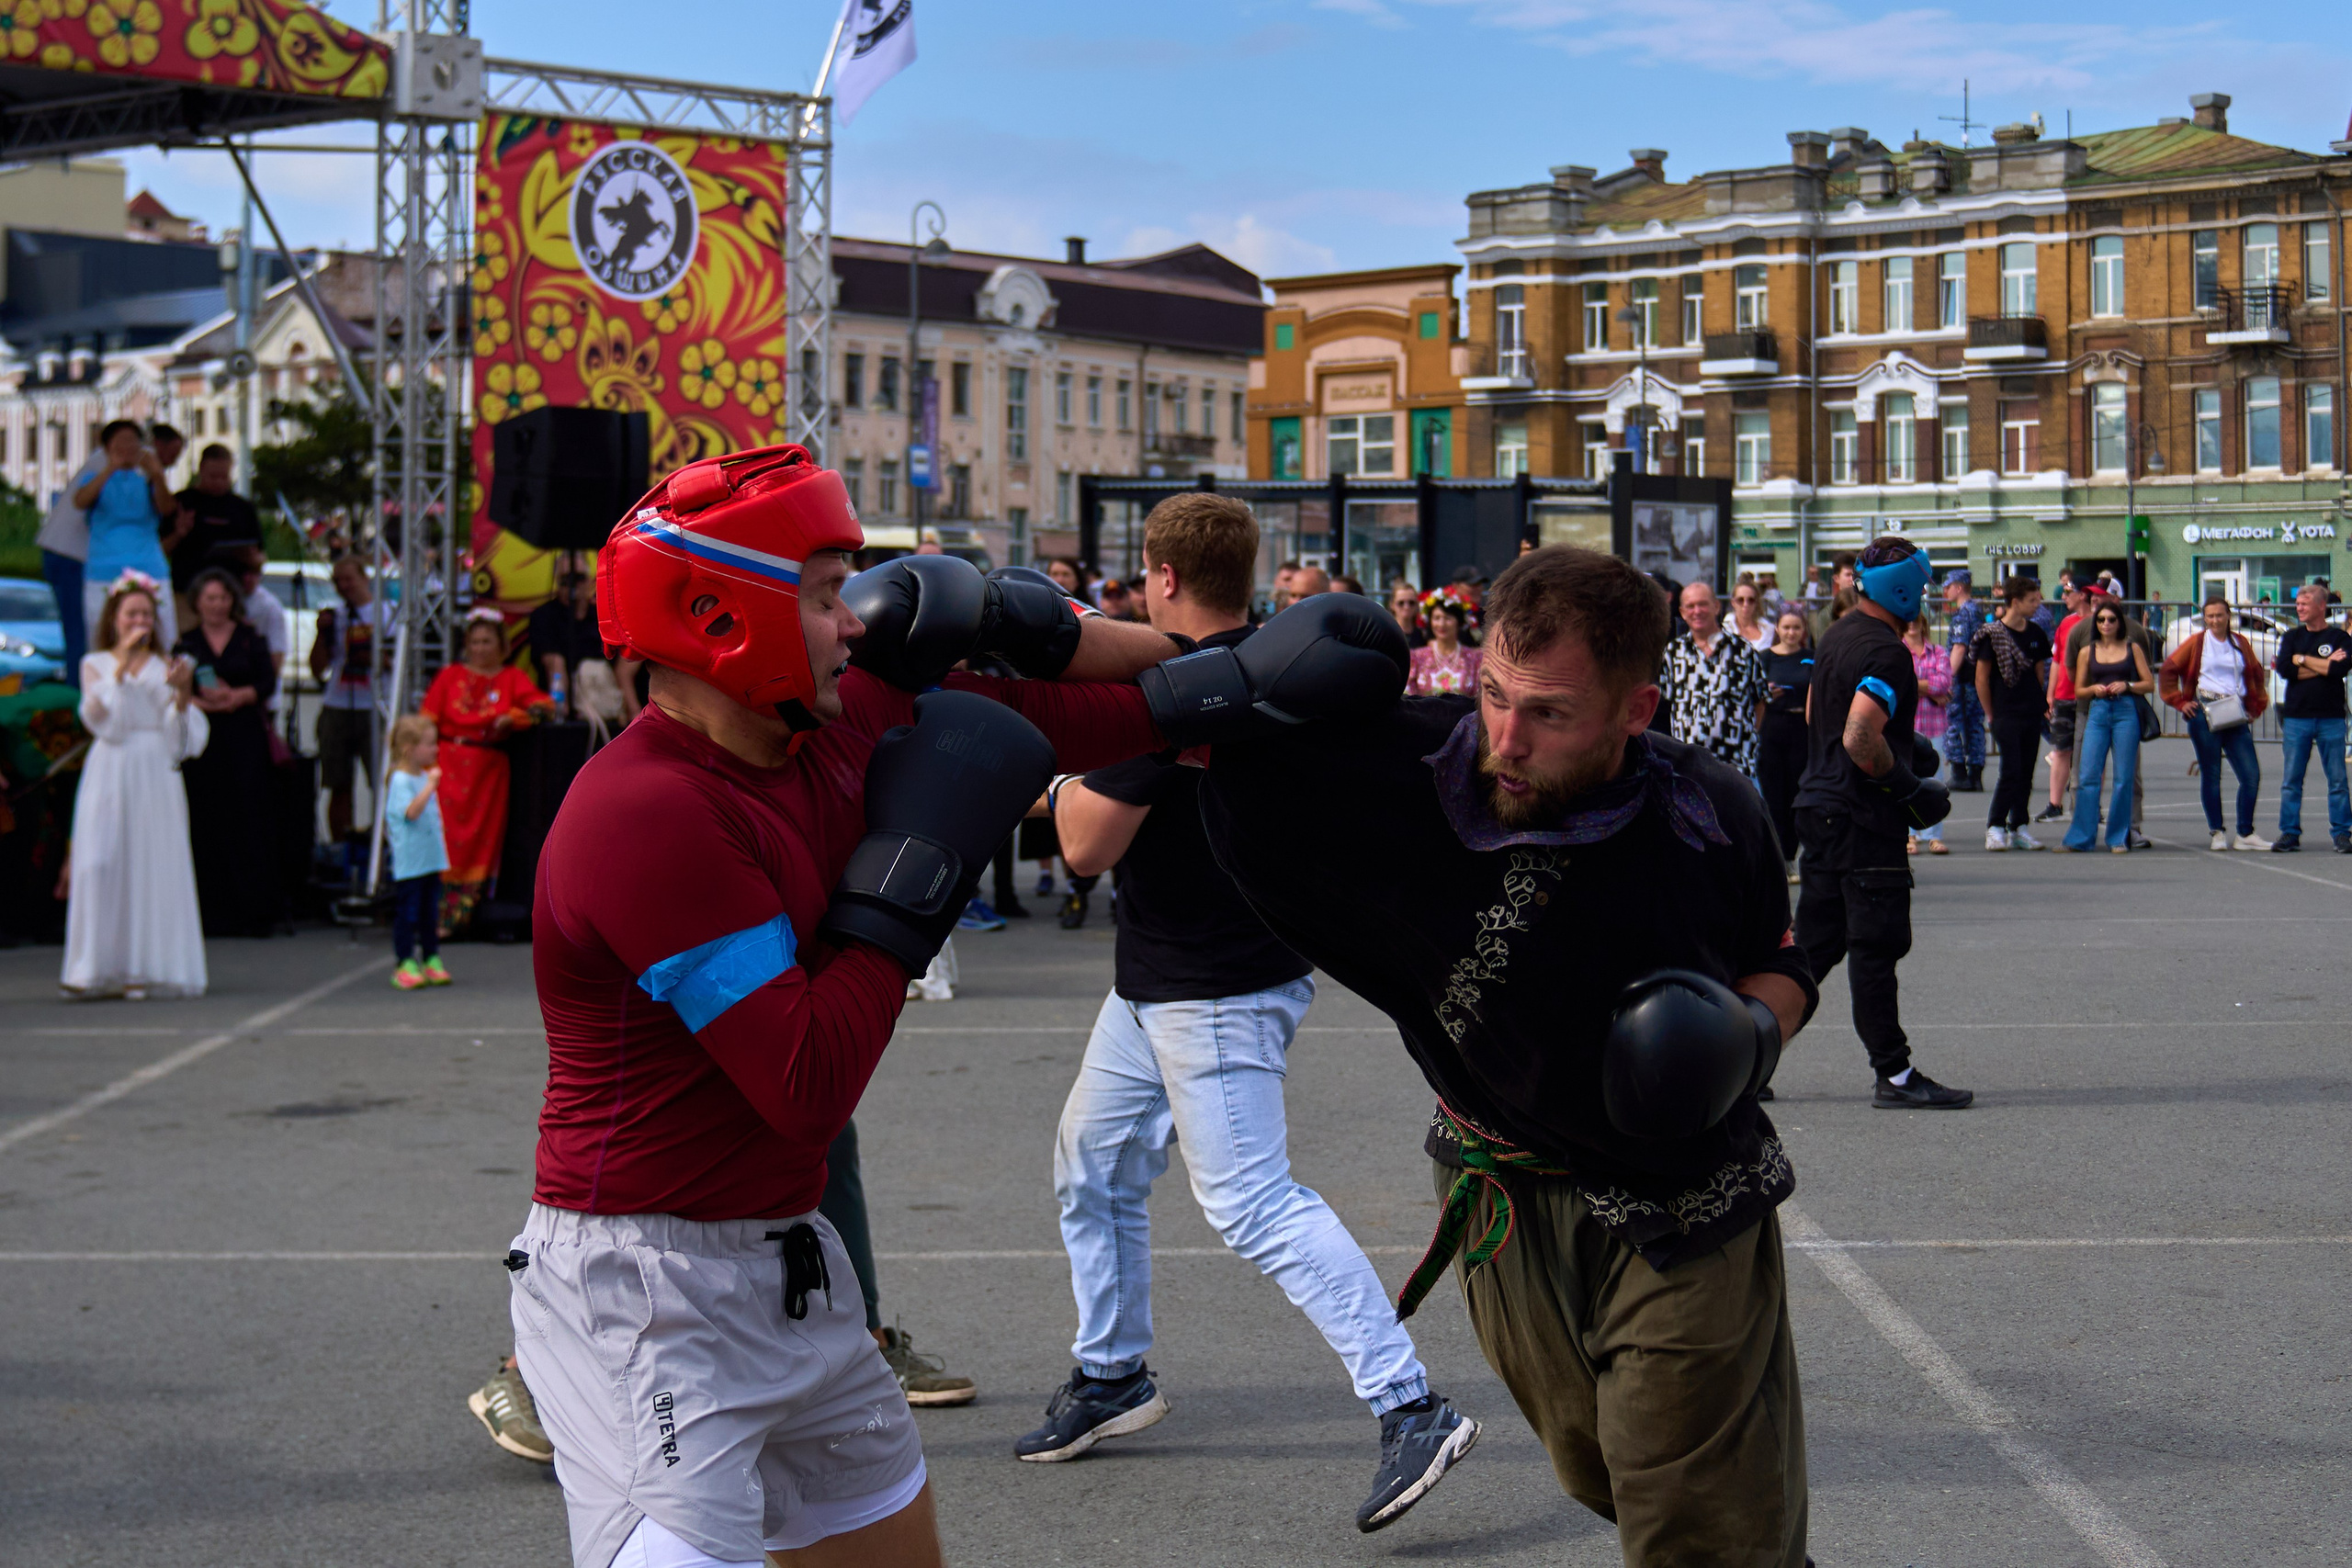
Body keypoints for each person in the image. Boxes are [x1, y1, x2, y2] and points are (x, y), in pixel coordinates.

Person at [514, 441, 1232, 1568]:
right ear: (722, 616)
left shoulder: (826, 717)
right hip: (646, 1298)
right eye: (814, 593)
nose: (851, 622)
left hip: (791, 1264)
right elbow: (804, 1086)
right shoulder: (646, 813)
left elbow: (1082, 709)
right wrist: (915, 876)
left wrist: (1228, 667)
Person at [1188, 546, 1818, 1565]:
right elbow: (1181, 716)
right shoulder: (1412, 770)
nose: (1507, 740)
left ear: (1634, 710)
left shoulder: (1709, 818)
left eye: (1550, 714)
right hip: (1502, 1200)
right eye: (1492, 696)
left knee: (1698, 1523)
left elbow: (1781, 961)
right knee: (1597, 1466)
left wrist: (1746, 1035)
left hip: (1683, 1203)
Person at [1019, 493, 1476, 1530]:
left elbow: (1083, 846)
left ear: (1161, 578)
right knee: (1090, 1162)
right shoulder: (1276, 665)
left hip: (1213, 986)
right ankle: (1111, 1372)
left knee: (1253, 1207)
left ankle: (1411, 1402)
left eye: (1142, 579)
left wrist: (1042, 767)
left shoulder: (1180, 691)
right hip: (1161, 977)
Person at [1795, 536, 1969, 1110]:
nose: (1923, 596)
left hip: (1818, 806)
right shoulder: (1888, 650)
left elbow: (1817, 710)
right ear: (1901, 588)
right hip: (1862, 816)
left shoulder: (1839, 633)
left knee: (1812, 951)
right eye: (1918, 586)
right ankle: (1894, 1076)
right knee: (1875, 945)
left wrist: (1905, 740)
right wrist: (1905, 785)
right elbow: (1858, 735)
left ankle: (1740, 1060)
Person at [61, 571, 208, 999]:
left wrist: (181, 695)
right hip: (110, 765)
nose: (139, 620)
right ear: (115, 617)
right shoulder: (96, 665)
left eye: (146, 613)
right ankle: (93, 965)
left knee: (150, 862)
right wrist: (122, 665)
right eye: (131, 613)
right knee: (100, 861)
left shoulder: (168, 666)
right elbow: (101, 720)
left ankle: (142, 967)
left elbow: (181, 740)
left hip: (154, 768)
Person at [417, 612, 555, 932]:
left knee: (478, 841)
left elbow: (544, 706)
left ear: (502, 645)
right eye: (474, 641)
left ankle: (458, 917)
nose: (479, 648)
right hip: (447, 767)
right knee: (442, 837)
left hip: (486, 773)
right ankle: (430, 915)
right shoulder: (450, 676)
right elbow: (426, 719)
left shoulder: (511, 678)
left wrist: (514, 717)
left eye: (486, 641)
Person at [173, 566, 280, 937]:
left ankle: (253, 910)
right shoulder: (186, 643)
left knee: (248, 816)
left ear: (232, 601)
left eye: (223, 598)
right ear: (198, 603)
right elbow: (175, 691)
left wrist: (236, 697)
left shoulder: (251, 638)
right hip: (204, 738)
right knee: (206, 817)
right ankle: (209, 911)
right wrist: (206, 705)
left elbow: (267, 682)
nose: (217, 605)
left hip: (244, 733)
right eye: (210, 599)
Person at [2159, 597, 2270, 852]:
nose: (2215, 621)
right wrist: (2179, 701)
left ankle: (2245, 833)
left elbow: (2255, 673)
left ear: (2228, 616)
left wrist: (2256, 706)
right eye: (2210, 616)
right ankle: (2217, 832)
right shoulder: (2197, 643)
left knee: (2250, 775)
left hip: (2234, 713)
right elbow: (2168, 670)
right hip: (2204, 711)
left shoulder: (2239, 642)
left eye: (2219, 615)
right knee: (2211, 774)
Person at [2059, 585, 2155, 851]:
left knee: (2124, 776)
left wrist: (2128, 685)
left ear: (2119, 622)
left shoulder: (2132, 647)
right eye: (2101, 619)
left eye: (2111, 619)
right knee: (2088, 774)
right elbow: (2078, 689)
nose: (2106, 624)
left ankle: (2118, 837)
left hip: (2126, 710)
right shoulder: (2086, 651)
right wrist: (2094, 689)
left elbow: (2149, 683)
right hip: (2098, 710)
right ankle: (2081, 837)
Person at [311, 555, 391, 857]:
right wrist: (322, 632)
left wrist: (374, 658)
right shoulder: (335, 616)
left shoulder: (386, 613)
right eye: (338, 581)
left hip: (375, 706)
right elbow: (317, 669)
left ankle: (380, 846)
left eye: (349, 579)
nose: (344, 586)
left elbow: (399, 663)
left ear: (364, 577)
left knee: (381, 782)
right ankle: (339, 847)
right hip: (337, 706)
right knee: (337, 782)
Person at [76, 421, 180, 649]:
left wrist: (157, 475)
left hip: (149, 567)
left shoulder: (147, 480)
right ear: (106, 447)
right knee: (101, 637)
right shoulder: (94, 478)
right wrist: (110, 468)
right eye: (120, 442)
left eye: (133, 442)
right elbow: (81, 501)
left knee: (165, 637)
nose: (127, 448)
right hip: (103, 569)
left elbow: (167, 508)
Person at [2269, 582, 2352, 853]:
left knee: (2337, 780)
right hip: (2297, 717)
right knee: (2292, 779)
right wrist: (2323, 667)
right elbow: (2284, 670)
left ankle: (2341, 833)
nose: (2299, 609)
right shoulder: (2292, 636)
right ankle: (2289, 833)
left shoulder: (2340, 639)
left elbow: (2340, 668)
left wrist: (2302, 660)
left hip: (2331, 718)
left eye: (2305, 604)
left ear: (2321, 606)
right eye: (2298, 604)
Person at [1660, 581, 1768, 779]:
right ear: (1682, 612)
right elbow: (1668, 702)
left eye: (1703, 604)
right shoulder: (1673, 653)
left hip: (1736, 766)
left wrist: (1745, 737)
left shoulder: (1743, 650)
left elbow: (1760, 700)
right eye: (1690, 606)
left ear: (1716, 607)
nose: (1697, 611)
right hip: (1689, 768)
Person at [1974, 578, 2052, 852]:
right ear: (2015, 602)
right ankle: (1995, 825)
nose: (2037, 605)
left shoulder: (2036, 633)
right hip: (2004, 712)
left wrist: (2040, 701)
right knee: (2011, 769)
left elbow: (2039, 669)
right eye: (2033, 600)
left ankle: (2019, 826)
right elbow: (1981, 679)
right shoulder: (1991, 634)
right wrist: (1990, 713)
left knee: (2027, 771)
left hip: (2031, 711)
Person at [384, 713, 452, 989]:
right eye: (429, 744)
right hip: (411, 863)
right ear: (410, 749)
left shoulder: (423, 776)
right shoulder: (401, 781)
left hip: (429, 860)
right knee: (408, 913)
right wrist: (431, 786)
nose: (435, 749)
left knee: (429, 913)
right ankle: (404, 962)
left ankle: (431, 957)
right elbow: (411, 812)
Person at [528, 552, 628, 730]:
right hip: (563, 708)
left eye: (579, 578)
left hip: (604, 706)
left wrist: (629, 709)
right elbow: (554, 664)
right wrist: (562, 713)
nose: (573, 584)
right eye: (566, 579)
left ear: (590, 581)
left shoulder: (603, 616)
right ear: (557, 583)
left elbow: (621, 667)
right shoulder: (544, 616)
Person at [36, 442, 107, 682]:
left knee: (77, 633)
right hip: (74, 556)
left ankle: (77, 690)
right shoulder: (129, 461)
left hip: (59, 549)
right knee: (82, 634)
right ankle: (79, 695)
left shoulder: (104, 457)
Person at [168, 444, 262, 613]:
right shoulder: (182, 502)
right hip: (187, 592)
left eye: (224, 477)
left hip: (230, 595)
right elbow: (162, 548)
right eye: (213, 477)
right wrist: (179, 534)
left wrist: (252, 562)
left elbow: (260, 555)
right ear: (201, 470)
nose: (219, 483)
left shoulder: (243, 508)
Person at [1756, 609, 1813, 882]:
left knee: (1798, 794)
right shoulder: (1764, 658)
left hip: (1802, 729)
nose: (1791, 633)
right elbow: (1752, 694)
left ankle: (1793, 851)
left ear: (1804, 630)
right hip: (1772, 728)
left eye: (1797, 627)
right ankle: (1782, 857)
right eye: (1786, 627)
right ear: (1777, 628)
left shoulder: (1811, 658)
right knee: (1774, 795)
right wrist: (1766, 693)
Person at [2038, 580, 2089, 823]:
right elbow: (2056, 660)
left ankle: (2090, 805)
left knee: (2090, 752)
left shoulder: (2099, 622)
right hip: (2064, 696)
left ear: (2083, 594)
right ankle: (2055, 803)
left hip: (2088, 695)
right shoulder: (2066, 624)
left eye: (2069, 592)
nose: (2064, 596)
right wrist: (2050, 694)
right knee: (2060, 750)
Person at [1902, 612, 1951, 857]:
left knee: (1936, 781)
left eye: (1916, 620)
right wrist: (1929, 689)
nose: (1912, 624)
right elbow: (1898, 682)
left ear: (1923, 624)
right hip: (1905, 725)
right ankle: (1910, 834)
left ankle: (1934, 835)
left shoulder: (1939, 652)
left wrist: (1916, 686)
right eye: (1907, 620)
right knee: (1907, 780)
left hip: (1934, 726)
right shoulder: (1896, 651)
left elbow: (1944, 683)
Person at [230, 545, 289, 716]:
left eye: (254, 573)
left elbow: (277, 655)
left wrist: (263, 689)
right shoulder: (226, 600)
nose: (248, 578)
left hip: (262, 699)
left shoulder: (269, 606)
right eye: (243, 572)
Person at [1941, 570, 1986, 792]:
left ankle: (1959, 772)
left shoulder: (1962, 614)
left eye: (1948, 587)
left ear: (1959, 588)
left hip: (1962, 678)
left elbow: (1959, 648)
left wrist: (1946, 678)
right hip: (1976, 675)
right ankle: (1976, 773)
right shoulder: (1977, 611)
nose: (1945, 592)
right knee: (1975, 724)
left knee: (1953, 723)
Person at [1406, 585, 1482, 695]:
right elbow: (1408, 696)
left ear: (1458, 622)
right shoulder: (1417, 658)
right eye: (1436, 618)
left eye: (1448, 618)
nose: (1441, 624)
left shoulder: (1474, 659)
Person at [1806, 553, 1855, 644]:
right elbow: (1822, 647)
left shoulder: (1868, 605)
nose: (1853, 579)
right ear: (1836, 578)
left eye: (1855, 574)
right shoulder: (1827, 613)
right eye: (1848, 575)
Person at [1729, 581, 1772, 650]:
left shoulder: (1770, 631)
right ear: (1733, 603)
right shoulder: (1724, 630)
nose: (1745, 604)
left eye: (1751, 600)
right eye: (1740, 600)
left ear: (1756, 603)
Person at [1388, 581, 1428, 649]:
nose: (1406, 607)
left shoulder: (1424, 636)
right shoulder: (1385, 634)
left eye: (1411, 603)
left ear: (1417, 605)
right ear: (1392, 605)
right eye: (1401, 603)